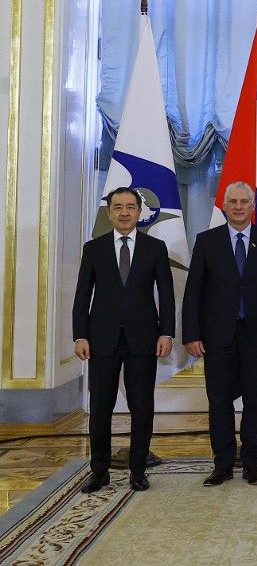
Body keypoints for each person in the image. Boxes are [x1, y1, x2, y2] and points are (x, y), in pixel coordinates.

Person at [183, 181, 257, 487]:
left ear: (253, 206)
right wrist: (191, 334)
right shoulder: (207, 241)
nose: (239, 206)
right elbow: (194, 292)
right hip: (217, 336)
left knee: (256, 402)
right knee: (219, 402)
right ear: (224, 205)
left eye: (244, 201)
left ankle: (252, 463)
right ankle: (223, 464)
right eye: (233, 201)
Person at [72, 187, 174, 493]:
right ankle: (99, 471)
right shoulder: (94, 248)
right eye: (118, 207)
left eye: (130, 206)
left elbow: (166, 296)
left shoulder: (155, 248)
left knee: (142, 407)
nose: (125, 212)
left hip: (143, 339)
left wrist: (166, 332)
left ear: (140, 212)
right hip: (101, 340)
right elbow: (82, 297)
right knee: (100, 407)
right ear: (109, 212)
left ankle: (138, 470)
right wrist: (80, 335)